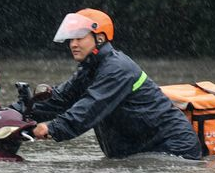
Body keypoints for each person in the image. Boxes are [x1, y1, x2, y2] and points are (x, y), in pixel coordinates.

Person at [16, 8, 203, 160]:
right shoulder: (90, 68)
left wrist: (50, 128)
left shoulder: (117, 69)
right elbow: (59, 99)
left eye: (79, 38)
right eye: (71, 39)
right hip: (138, 151)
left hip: (174, 150)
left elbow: (90, 108)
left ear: (100, 38)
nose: (73, 44)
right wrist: (14, 113)